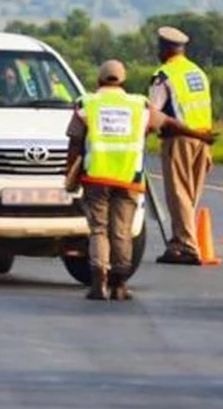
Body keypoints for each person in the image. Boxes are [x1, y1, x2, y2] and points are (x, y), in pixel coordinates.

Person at [66, 60, 214, 301]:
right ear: (123, 82)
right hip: (128, 179)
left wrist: (68, 172)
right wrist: (199, 135)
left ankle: (98, 283)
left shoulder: (88, 104)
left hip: (96, 177)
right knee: (122, 231)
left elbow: (74, 142)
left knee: (98, 230)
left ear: (98, 81)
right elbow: (169, 123)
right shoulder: (138, 106)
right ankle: (119, 284)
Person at [150, 26, 214, 265]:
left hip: (178, 139)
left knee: (178, 194)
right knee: (190, 195)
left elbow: (154, 113)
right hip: (203, 139)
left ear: (165, 49)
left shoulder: (164, 75)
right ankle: (179, 242)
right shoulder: (197, 73)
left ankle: (187, 247)